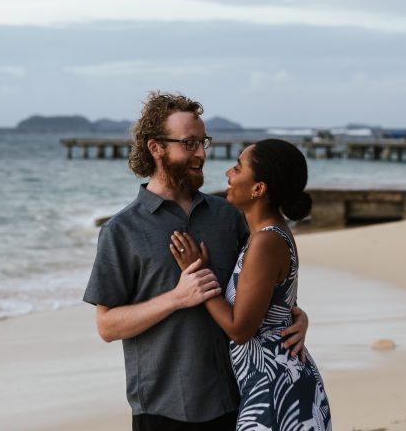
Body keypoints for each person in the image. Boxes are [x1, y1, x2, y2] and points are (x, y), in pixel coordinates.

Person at [83, 93, 309, 431]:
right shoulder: (121, 230)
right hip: (163, 407)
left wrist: (295, 317)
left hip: (237, 400)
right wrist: (177, 298)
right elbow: (107, 326)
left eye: (203, 142)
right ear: (155, 148)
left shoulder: (229, 216)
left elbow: (261, 283)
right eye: (189, 144)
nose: (202, 154)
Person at [170, 139, 331, 430]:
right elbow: (278, 307)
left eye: (238, 168)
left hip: (275, 389)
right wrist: (300, 317)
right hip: (275, 381)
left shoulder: (266, 241)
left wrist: (199, 274)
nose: (228, 174)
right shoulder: (265, 235)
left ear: (259, 188)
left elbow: (240, 329)